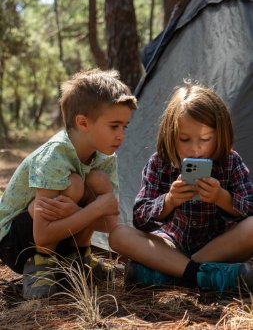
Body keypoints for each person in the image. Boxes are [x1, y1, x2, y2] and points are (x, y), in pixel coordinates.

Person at [0, 69, 137, 300]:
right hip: (19, 241)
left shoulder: (105, 158)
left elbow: (109, 224)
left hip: (61, 234)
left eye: (125, 127)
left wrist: (80, 212)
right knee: (73, 184)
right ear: (83, 123)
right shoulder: (55, 155)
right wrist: (93, 209)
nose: (121, 135)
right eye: (114, 126)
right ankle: (41, 265)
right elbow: (42, 235)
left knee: (95, 180)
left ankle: (79, 257)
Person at [109, 82, 253, 295]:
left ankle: (172, 273)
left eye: (205, 139)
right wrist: (169, 201)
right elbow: (140, 218)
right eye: (185, 139)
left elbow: (249, 208)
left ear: (219, 134)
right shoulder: (160, 163)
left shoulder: (230, 162)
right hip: (171, 244)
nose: (195, 149)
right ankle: (202, 275)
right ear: (171, 135)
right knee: (118, 235)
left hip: (219, 247)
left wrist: (222, 197)